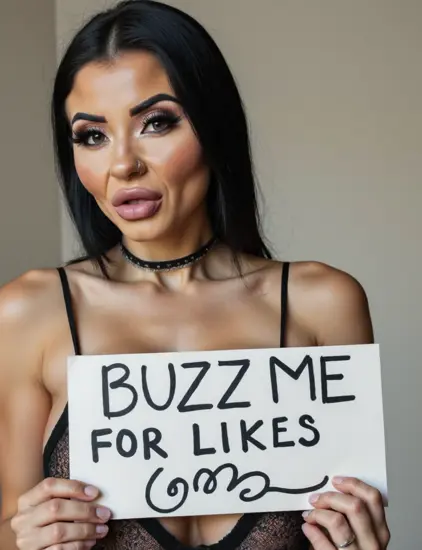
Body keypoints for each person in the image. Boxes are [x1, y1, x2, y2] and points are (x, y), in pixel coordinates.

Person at [0, 1, 390, 549]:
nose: (123, 164)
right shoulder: (28, 312)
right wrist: (27, 540)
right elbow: (7, 526)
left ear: (213, 126)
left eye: (156, 123)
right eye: (92, 136)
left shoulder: (322, 303)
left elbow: (357, 521)